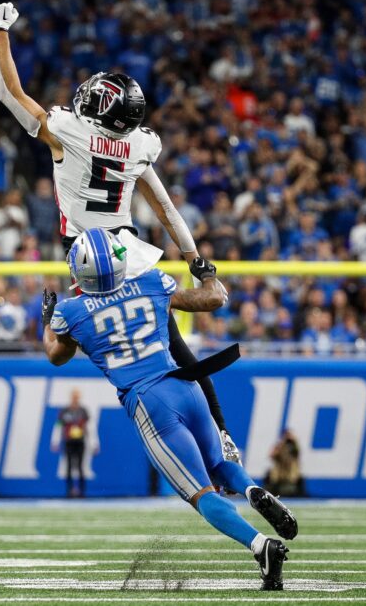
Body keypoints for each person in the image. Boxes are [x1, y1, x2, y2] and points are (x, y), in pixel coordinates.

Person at [0, 2, 238, 464]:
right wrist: (193, 257)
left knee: (74, 341)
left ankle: (170, 427)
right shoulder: (140, 145)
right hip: (129, 250)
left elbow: (9, 92)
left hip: (89, 255)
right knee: (172, 344)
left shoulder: (69, 131)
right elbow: (164, 205)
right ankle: (220, 434)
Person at [41, 228, 296, 590]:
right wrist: (206, 272)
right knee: (220, 466)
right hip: (185, 385)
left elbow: (57, 355)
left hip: (150, 402)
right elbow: (213, 298)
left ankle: (260, 546)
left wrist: (46, 323)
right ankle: (253, 490)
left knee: (201, 495)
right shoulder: (150, 282)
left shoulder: (70, 312)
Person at [53, 389, 93, 497]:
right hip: (69, 441)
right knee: (69, 466)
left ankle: (81, 491)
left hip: (80, 441)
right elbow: (58, 426)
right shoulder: (65, 410)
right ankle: (69, 490)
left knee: (80, 467)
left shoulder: (83, 410)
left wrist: (93, 443)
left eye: (77, 396)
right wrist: (55, 441)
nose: (75, 399)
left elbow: (89, 427)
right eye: (74, 396)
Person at [265, 430, 304, 498]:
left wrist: (294, 441)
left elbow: (297, 453)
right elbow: (272, 455)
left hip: (290, 475)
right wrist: (282, 444)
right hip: (279, 475)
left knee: (291, 489)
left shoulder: (294, 446)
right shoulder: (279, 446)